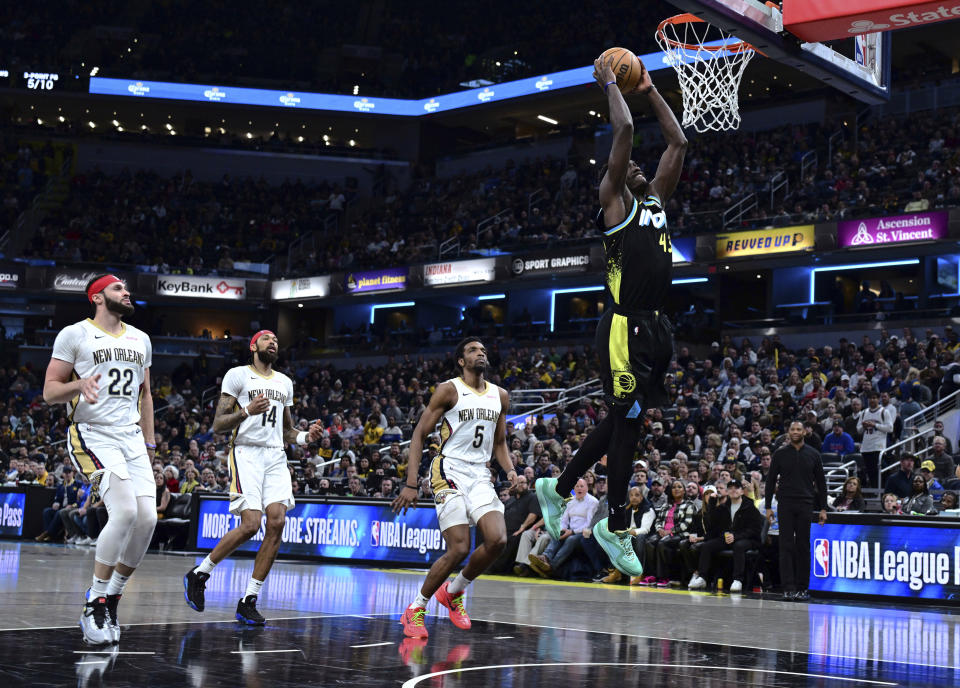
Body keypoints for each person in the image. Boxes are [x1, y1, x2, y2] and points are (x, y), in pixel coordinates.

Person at [534, 53, 686, 579]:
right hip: (622, 327)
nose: (640, 166)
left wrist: (648, 89)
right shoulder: (614, 205)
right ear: (617, 177)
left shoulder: (657, 203)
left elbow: (678, 143)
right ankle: (615, 524)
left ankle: (555, 489)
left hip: (655, 329)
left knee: (624, 423)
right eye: (630, 166)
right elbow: (622, 128)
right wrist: (610, 84)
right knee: (627, 430)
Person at [43, 274, 157, 645]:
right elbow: (49, 392)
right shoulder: (75, 334)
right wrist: (78, 385)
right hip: (93, 433)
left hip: (131, 437)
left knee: (148, 519)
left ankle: (112, 599)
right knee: (124, 512)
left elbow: (145, 394)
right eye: (118, 288)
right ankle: (93, 602)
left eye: (126, 288)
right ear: (97, 297)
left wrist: (150, 441)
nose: (127, 292)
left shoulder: (141, 339)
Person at [183, 330, 321, 625]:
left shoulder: (285, 382)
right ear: (253, 345)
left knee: (277, 521)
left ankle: (249, 599)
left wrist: (307, 437)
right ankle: (200, 573)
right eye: (268, 338)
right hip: (246, 453)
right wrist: (246, 410)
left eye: (276, 340)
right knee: (250, 524)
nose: (273, 342)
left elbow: (287, 431)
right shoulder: (237, 376)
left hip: (275, 455)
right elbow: (219, 424)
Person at [391, 337, 516, 639]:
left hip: (479, 473)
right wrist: (411, 483)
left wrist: (511, 470)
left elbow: (499, 443)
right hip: (449, 468)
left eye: (483, 349)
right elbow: (420, 434)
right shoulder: (449, 389)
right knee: (459, 547)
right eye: (473, 350)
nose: (481, 352)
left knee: (498, 539)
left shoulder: (500, 395)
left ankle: (454, 591)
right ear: (461, 361)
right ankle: (416, 608)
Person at [765, 421, 827, 602]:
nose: (795, 432)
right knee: (785, 546)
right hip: (784, 504)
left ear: (804, 432)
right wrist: (768, 506)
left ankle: (802, 587)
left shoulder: (814, 454)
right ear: (788, 431)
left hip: (806, 504)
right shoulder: (780, 454)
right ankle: (788, 588)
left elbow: (821, 483)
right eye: (792, 429)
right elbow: (770, 481)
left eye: (798, 429)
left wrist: (823, 508)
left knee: (803, 546)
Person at [687, 478, 763, 593]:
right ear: (727, 492)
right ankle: (702, 577)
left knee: (739, 546)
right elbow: (713, 524)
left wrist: (736, 536)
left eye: (736, 488)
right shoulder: (723, 507)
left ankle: (738, 580)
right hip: (728, 539)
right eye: (730, 488)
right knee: (707, 546)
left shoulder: (749, 507)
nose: (733, 491)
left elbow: (755, 530)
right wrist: (712, 502)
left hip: (748, 539)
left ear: (742, 491)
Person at [857, 391, 893, 487]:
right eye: (870, 398)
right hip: (866, 447)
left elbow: (890, 428)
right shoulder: (864, 412)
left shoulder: (884, 411)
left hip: (878, 446)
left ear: (878, 399)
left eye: (874, 398)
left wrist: (875, 425)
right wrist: (864, 426)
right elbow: (858, 429)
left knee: (881, 470)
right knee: (870, 471)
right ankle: (873, 490)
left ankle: (882, 490)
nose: (872, 400)